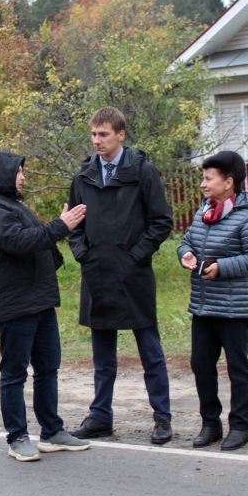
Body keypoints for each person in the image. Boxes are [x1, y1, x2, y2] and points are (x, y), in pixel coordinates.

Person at [0, 151, 92, 462]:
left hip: (38, 301)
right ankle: (18, 437)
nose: (23, 177)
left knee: (48, 368)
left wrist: (50, 299)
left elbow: (39, 248)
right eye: (18, 172)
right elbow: (20, 242)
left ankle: (51, 431)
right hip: (14, 304)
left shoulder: (12, 205)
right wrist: (60, 225)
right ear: (2, 174)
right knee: (14, 373)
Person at [67, 107, 175, 445]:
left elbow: (162, 222)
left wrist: (135, 256)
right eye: (94, 135)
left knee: (151, 353)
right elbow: (72, 223)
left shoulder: (142, 172)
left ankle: (162, 418)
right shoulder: (83, 176)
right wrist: (82, 254)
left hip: (133, 276)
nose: (97, 141)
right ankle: (100, 417)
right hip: (97, 274)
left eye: (104, 135)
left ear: (121, 135)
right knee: (103, 357)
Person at [177, 151, 248, 451]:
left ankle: (239, 426)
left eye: (208, 178)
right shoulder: (204, 212)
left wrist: (222, 267)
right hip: (203, 305)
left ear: (229, 182)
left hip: (233, 308)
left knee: (237, 368)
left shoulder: (247, 217)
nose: (203, 184)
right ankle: (210, 424)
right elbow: (187, 241)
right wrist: (185, 255)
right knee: (201, 364)